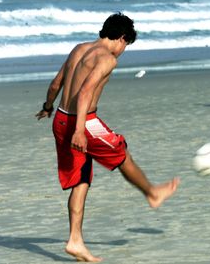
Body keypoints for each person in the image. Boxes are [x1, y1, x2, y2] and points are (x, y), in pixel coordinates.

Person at [35, 13, 179, 262]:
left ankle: (75, 240)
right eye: (126, 45)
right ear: (122, 39)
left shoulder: (79, 49)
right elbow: (85, 93)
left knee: (81, 179)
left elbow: (57, 82)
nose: (123, 50)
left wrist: (48, 106)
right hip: (83, 122)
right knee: (121, 153)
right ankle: (152, 193)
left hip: (60, 118)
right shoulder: (106, 59)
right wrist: (80, 129)